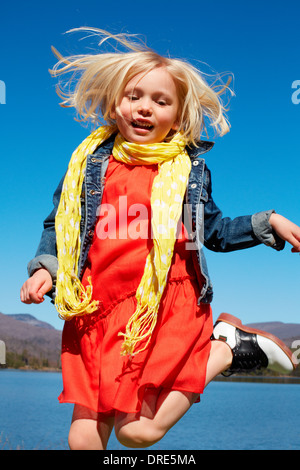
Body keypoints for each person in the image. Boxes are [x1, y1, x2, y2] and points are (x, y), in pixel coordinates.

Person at [20, 28, 300, 450]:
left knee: (136, 433)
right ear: (115, 103)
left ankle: (225, 348)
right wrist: (46, 267)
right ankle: (225, 345)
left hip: (164, 307)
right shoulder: (86, 164)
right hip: (93, 311)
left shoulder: (187, 172)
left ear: (177, 115)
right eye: (134, 96)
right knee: (82, 438)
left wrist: (268, 222)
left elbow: (211, 232)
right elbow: (58, 224)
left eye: (160, 101)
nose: (145, 108)